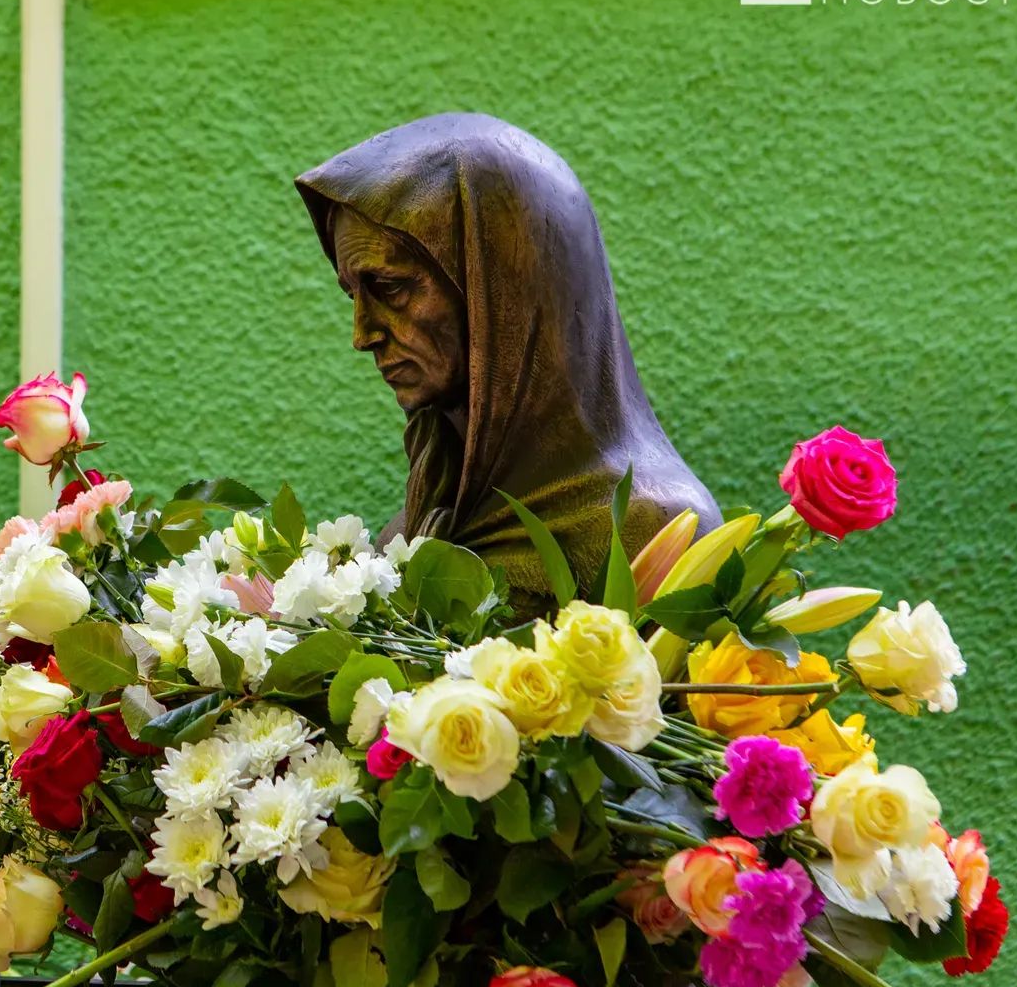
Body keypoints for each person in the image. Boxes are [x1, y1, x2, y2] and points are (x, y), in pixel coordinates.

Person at [293, 112, 720, 613]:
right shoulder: (412, 536)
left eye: (390, 287)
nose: (363, 335)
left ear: (504, 292)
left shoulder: (657, 533)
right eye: (353, 295)